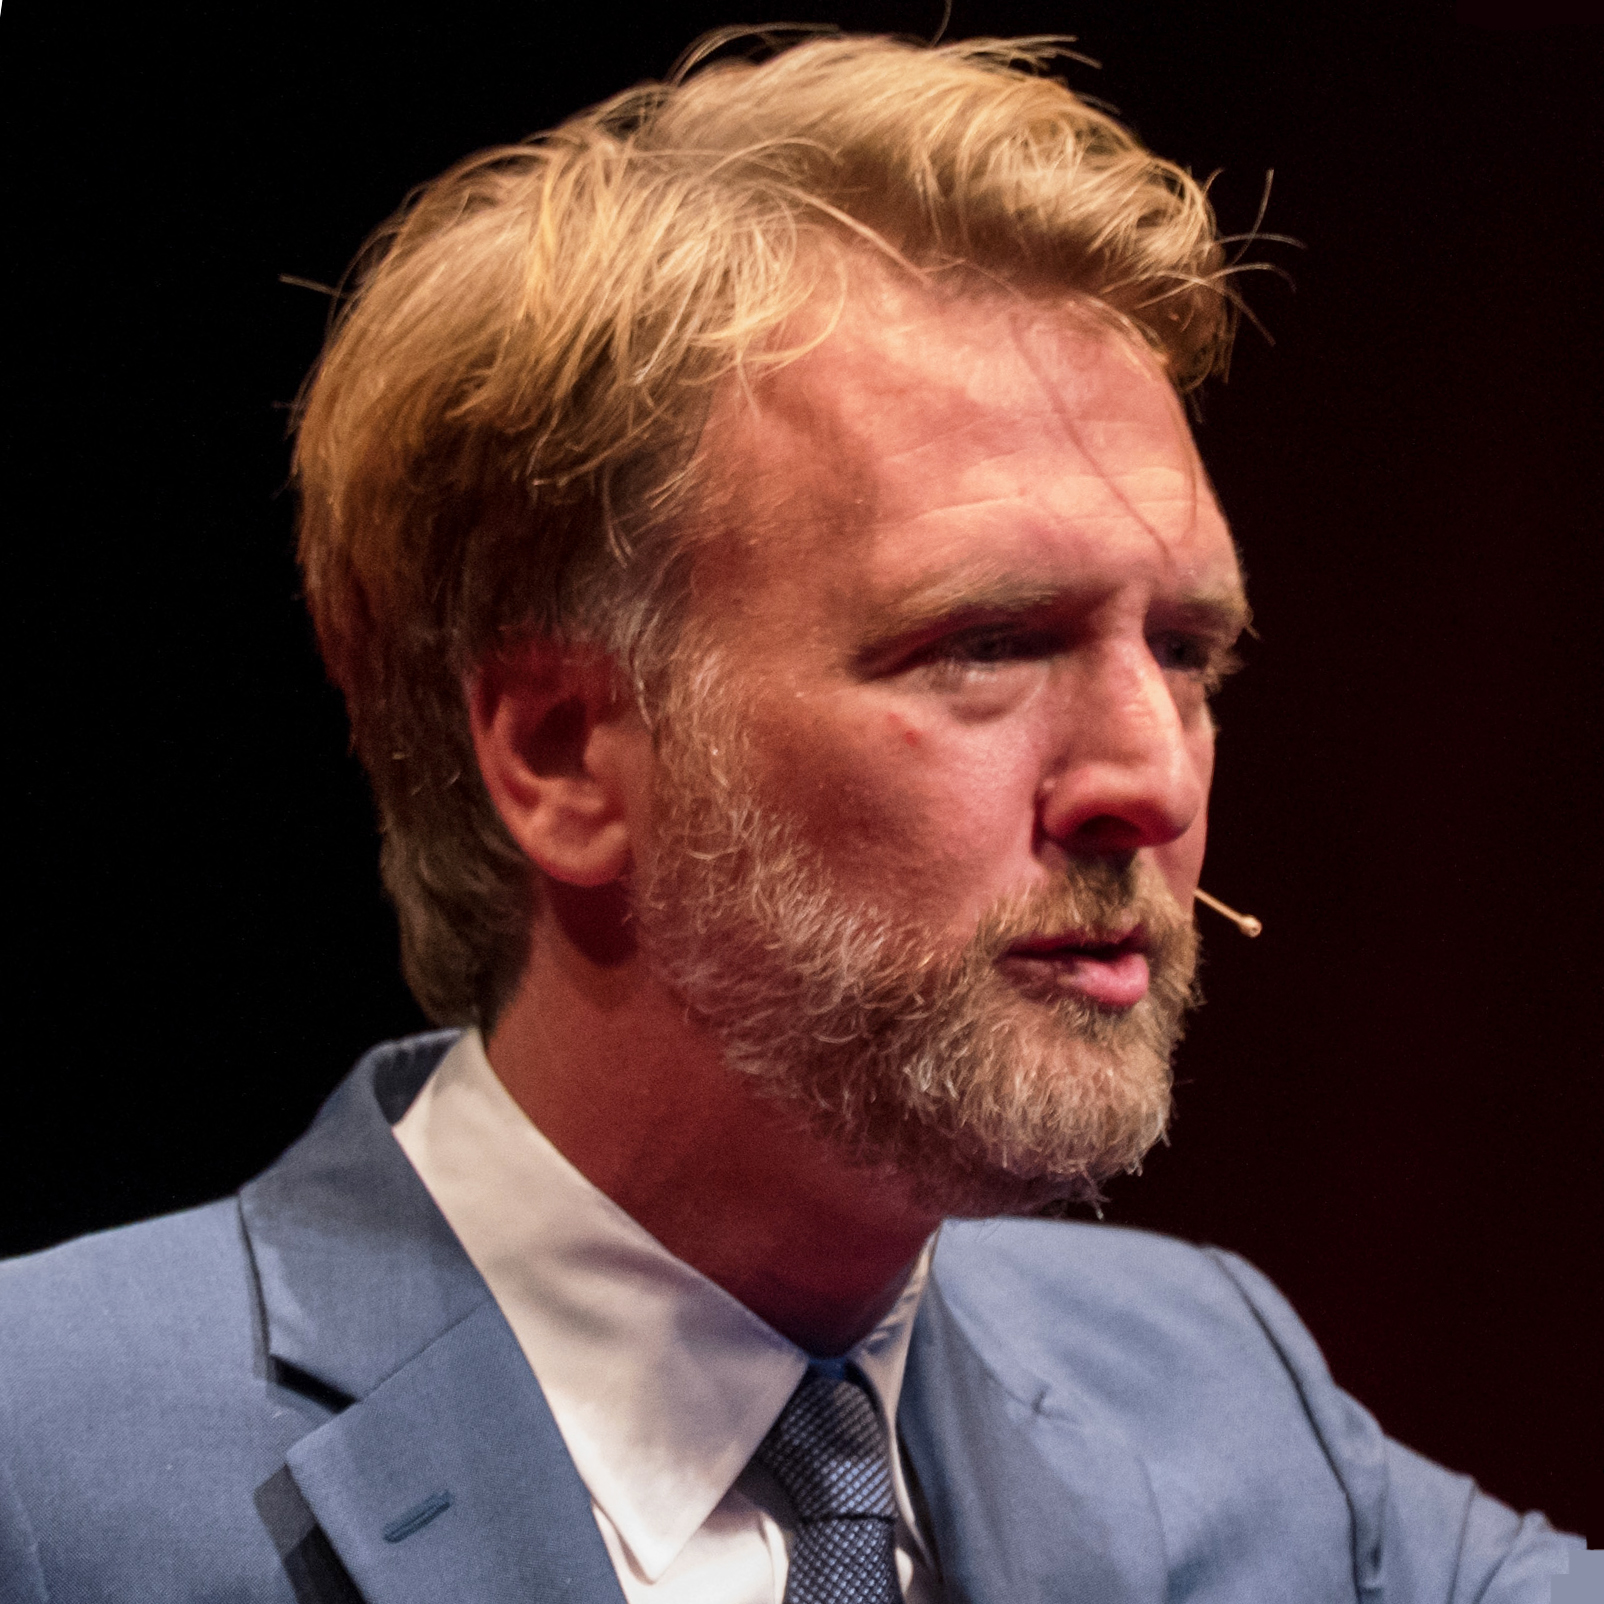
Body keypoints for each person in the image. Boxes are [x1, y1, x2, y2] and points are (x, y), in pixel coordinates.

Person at [0, 33, 1584, 1604]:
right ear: (562, 754)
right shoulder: (44, 1464)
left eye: (1186, 651)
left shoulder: (1217, 1391)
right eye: (986, 644)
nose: (1152, 781)